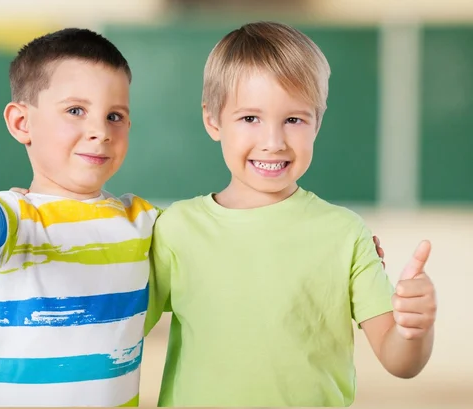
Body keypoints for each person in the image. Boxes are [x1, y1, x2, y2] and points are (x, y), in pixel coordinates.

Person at [145, 21, 437, 407]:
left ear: (318, 122)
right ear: (213, 120)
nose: (273, 142)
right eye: (250, 118)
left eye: (294, 120)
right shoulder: (175, 228)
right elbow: (116, 327)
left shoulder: (344, 234)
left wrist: (416, 328)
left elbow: (400, 361)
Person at [0, 28, 159, 407]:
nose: (100, 131)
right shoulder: (14, 216)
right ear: (22, 123)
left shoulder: (142, 219)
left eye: (115, 116)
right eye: (76, 110)